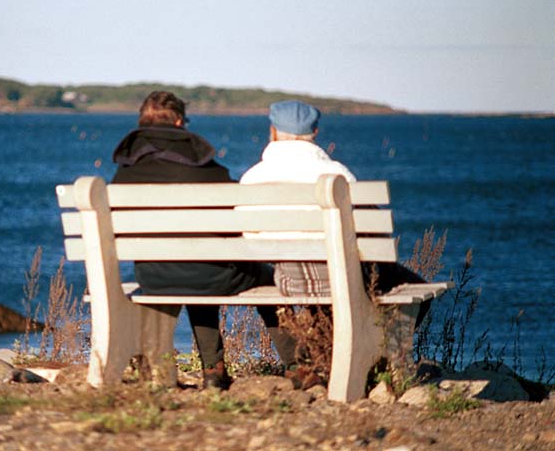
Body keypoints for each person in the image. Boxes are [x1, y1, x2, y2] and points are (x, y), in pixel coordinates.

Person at [111, 91, 297, 389]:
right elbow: (234, 225)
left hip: (154, 276)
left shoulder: (125, 172)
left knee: (196, 263)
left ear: (142, 122)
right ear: (180, 121)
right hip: (211, 275)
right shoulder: (204, 164)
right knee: (264, 277)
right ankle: (296, 366)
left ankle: (214, 368)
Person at [241, 100, 428, 311]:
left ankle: (322, 340)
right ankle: (382, 342)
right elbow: (368, 229)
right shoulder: (337, 174)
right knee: (419, 290)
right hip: (345, 280)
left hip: (289, 282)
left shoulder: (252, 178)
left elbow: (249, 235)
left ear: (273, 132)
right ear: (315, 132)